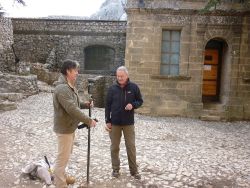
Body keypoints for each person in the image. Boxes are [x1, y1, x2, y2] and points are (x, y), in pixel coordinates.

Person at [53, 59, 97, 188]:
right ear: (68, 71)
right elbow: (71, 109)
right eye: (75, 70)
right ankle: (60, 184)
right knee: (62, 158)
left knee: (66, 156)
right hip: (64, 129)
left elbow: (74, 105)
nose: (77, 73)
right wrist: (88, 120)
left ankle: (63, 177)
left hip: (69, 128)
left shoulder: (69, 86)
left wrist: (85, 104)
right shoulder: (62, 88)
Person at [105, 66, 143, 180]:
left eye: (122, 76)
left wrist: (133, 105)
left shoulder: (134, 87)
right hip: (115, 123)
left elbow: (140, 101)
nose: (120, 78)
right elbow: (107, 106)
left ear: (127, 75)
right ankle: (115, 170)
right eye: (118, 76)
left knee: (131, 146)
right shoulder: (112, 89)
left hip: (128, 123)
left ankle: (134, 171)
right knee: (114, 147)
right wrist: (107, 120)